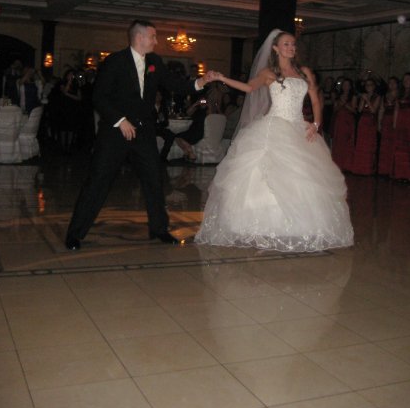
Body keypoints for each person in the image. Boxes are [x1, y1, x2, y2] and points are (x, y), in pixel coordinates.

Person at [194, 29, 353, 252]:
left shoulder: (304, 72)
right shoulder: (269, 73)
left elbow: (316, 100)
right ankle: (260, 225)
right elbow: (249, 88)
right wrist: (222, 78)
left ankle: (300, 226)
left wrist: (316, 124)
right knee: (263, 176)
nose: (291, 47)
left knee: (303, 177)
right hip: (273, 126)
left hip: (298, 128)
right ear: (276, 48)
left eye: (293, 44)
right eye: (286, 44)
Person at [65, 20, 215, 250]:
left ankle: (159, 229)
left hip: (143, 132)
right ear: (139, 37)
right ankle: (75, 234)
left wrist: (201, 82)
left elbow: (175, 84)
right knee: (98, 181)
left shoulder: (154, 62)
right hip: (115, 132)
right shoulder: (115, 61)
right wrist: (120, 120)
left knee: (154, 180)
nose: (156, 41)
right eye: (153, 36)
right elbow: (99, 97)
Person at [351, 77, 380, 175]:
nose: (368, 87)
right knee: (361, 144)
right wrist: (363, 100)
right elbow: (359, 110)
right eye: (367, 85)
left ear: (374, 86)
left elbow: (373, 110)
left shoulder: (377, 97)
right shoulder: (364, 96)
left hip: (371, 122)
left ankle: (368, 169)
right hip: (362, 121)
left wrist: (367, 100)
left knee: (369, 144)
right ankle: (359, 168)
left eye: (370, 85)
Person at [331, 78, 357, 172]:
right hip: (339, 120)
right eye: (344, 85)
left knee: (348, 142)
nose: (346, 86)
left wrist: (344, 103)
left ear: (350, 86)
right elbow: (335, 110)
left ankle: (347, 165)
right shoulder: (338, 96)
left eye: (347, 85)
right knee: (338, 142)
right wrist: (339, 104)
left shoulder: (353, 97)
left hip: (348, 121)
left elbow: (354, 110)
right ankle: (338, 164)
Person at [377, 76, 399, 176]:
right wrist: (379, 123)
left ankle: (393, 170)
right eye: (390, 83)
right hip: (386, 121)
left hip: (396, 120)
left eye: (393, 82)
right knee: (385, 145)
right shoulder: (385, 96)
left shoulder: (400, 95)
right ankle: (384, 170)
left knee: (394, 144)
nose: (391, 84)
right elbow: (381, 109)